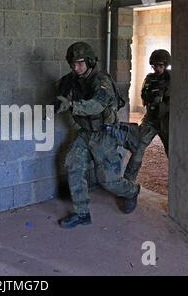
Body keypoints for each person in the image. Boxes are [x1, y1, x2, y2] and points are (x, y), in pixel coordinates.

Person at [54, 42, 140, 229]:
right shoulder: (73, 79)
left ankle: (132, 191)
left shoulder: (101, 81)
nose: (75, 68)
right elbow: (60, 90)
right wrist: (58, 100)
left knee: (108, 180)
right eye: (72, 64)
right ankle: (82, 213)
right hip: (85, 132)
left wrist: (71, 105)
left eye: (79, 63)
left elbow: (96, 105)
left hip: (104, 135)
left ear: (90, 62)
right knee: (73, 165)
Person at [124, 49, 171, 181]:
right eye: (154, 65)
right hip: (151, 119)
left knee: (174, 152)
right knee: (138, 147)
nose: (156, 68)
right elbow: (144, 95)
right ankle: (128, 183)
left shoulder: (173, 80)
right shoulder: (150, 79)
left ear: (166, 65)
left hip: (167, 121)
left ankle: (180, 186)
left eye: (160, 65)